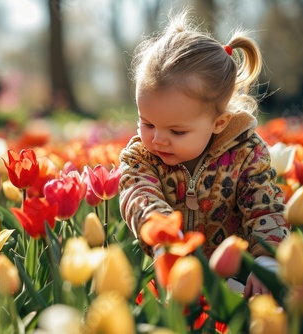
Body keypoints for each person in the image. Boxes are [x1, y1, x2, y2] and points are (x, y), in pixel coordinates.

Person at [118, 9, 290, 298]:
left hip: (240, 276)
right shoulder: (141, 158)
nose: (157, 139)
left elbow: (265, 207)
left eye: (177, 132)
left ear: (218, 123)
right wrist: (166, 238)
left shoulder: (246, 153)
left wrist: (267, 258)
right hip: (174, 272)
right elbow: (138, 196)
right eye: (146, 123)